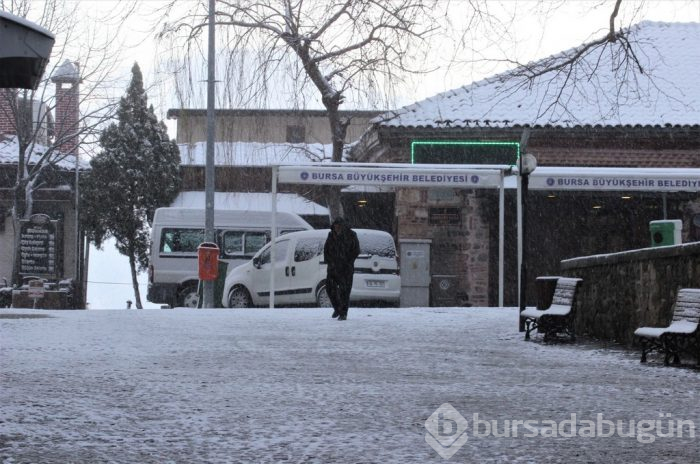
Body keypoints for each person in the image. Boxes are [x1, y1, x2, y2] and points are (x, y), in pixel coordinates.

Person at [323, 217, 360, 321]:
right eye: (335, 226)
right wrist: (330, 262)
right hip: (333, 268)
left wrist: (348, 262)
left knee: (345, 291)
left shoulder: (351, 235)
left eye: (339, 226)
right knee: (330, 288)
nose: (337, 228)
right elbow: (326, 250)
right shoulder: (331, 235)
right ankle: (337, 308)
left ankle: (343, 313)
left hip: (346, 269)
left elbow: (356, 250)